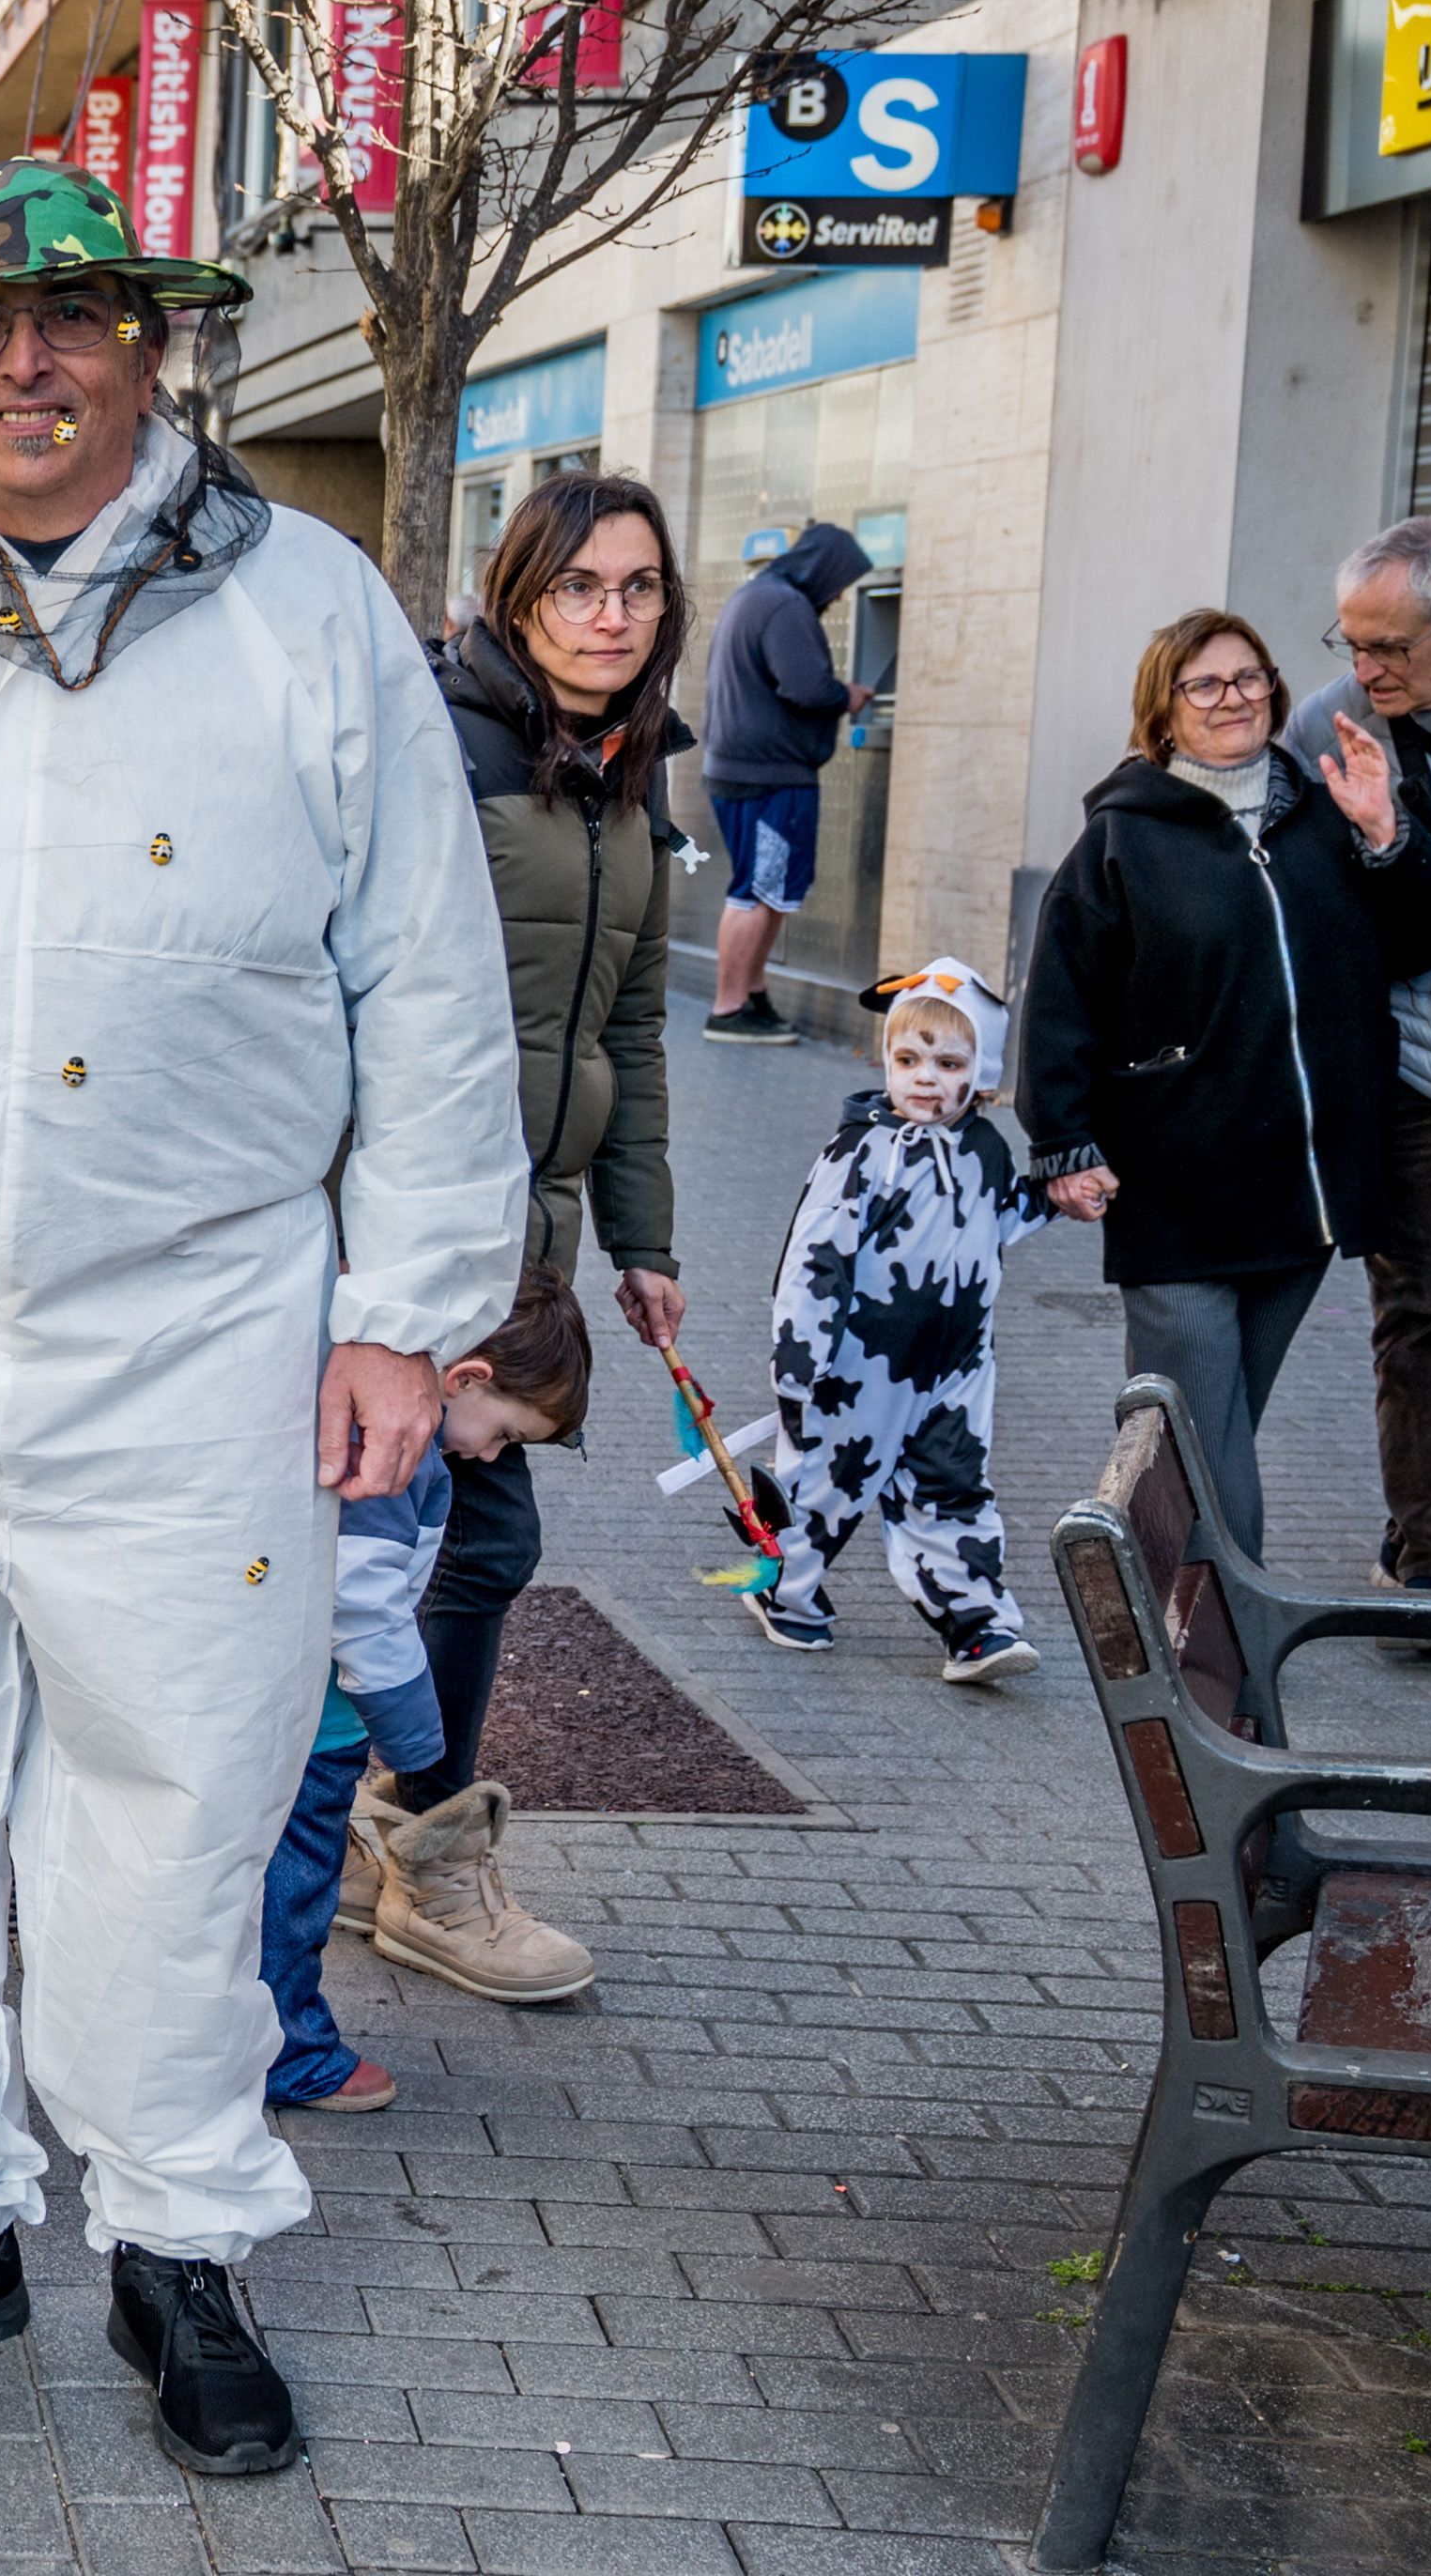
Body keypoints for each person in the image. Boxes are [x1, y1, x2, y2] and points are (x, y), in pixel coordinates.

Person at [0, 162, 524, 2471]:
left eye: (60, 318)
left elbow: (428, 985)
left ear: (147, 343)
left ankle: (173, 2240)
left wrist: (404, 1313)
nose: (15, 365)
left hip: (203, 1342)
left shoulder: (308, 620)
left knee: (170, 1799)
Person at [353, 474, 700, 2007]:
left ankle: (377, 1824)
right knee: (467, 1536)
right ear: (516, 595)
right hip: (420, 1216)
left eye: (635, 589)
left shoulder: (628, 769)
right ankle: (420, 1853)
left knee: (439, 1538)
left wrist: (643, 1234)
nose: (608, 615)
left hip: (536, 1229)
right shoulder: (444, 745)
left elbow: (627, 1014)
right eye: (577, 587)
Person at [1017, 609, 1431, 1559]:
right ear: (1162, 711)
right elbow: (1058, 1005)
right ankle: (1220, 1669)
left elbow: (1417, 945)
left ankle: (1172, 1625)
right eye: (1204, 685)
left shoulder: (1322, 814)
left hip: (1301, 1198)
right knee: (1196, 1441)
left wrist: (1385, 835)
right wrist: (1063, 1143)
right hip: (1176, 1191)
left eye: (1249, 678)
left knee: (1208, 1433)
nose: (1233, 699)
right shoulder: (1120, 842)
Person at [268, 1271, 589, 2117]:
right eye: (505, 1434)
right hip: (317, 1718)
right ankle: (288, 2051)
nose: (490, 1456)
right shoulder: (397, 1459)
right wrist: (416, 1741)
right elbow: (362, 1606)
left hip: (273, 1696)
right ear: (466, 1379)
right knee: (293, 1889)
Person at [756, 970, 1051, 1680]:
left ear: (980, 1077)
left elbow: (996, 1219)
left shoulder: (985, 1149)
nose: (924, 1080)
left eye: (948, 1065)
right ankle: (782, 1589)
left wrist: (1055, 1200)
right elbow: (814, 1259)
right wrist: (800, 1361)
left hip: (955, 1367)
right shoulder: (860, 1155)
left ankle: (978, 1624)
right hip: (857, 1369)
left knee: (951, 1488)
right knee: (827, 1487)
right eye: (908, 1061)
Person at [1286, 517, 1431, 1592]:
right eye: (1350, 642)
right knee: (1426, 1311)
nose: (1365, 669)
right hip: (1413, 1070)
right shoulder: (1326, 726)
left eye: (1390, 648)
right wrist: (1381, 842)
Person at [699, 520, 873, 1043]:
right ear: (823, 569)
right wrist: (848, 696)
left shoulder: (757, 596)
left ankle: (751, 995)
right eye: (840, 580)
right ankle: (729, 1009)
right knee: (757, 890)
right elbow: (806, 687)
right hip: (769, 777)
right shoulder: (786, 606)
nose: (840, 595)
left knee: (766, 887)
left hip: (740, 768)